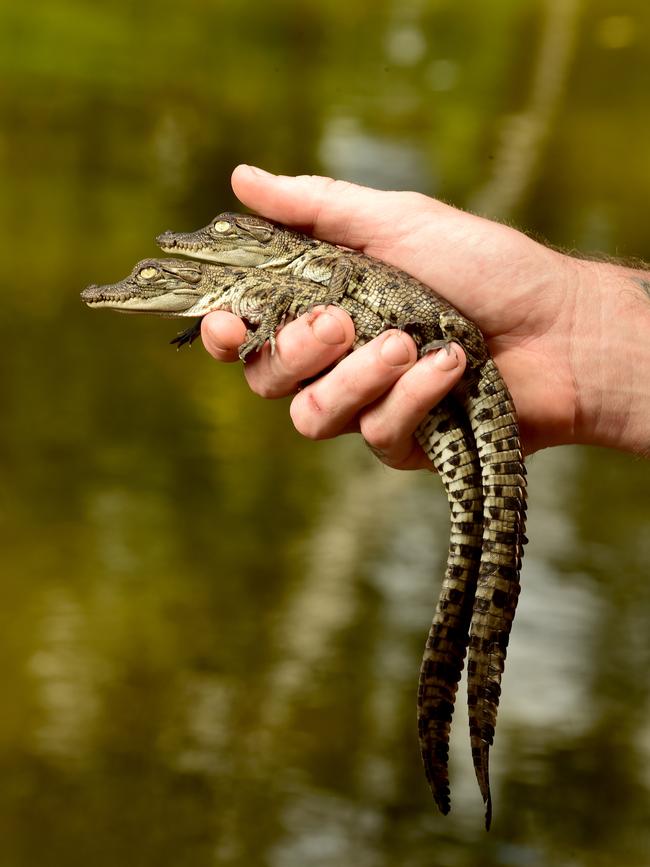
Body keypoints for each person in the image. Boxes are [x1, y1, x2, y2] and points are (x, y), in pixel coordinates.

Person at [200, 165, 650, 463]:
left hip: (453, 338)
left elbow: (338, 278)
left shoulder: (317, 262)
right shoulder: (287, 278)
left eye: (220, 233)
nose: (205, 242)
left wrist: (572, 318)